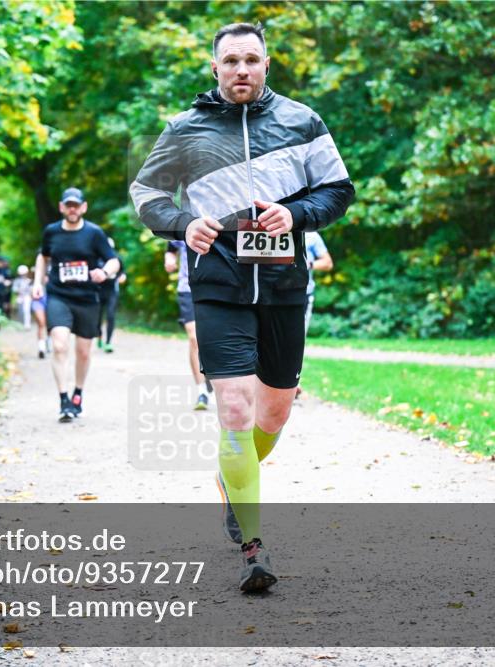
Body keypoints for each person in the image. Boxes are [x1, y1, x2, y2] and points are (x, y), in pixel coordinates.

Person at [130, 22, 354, 592]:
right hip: (218, 285)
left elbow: (337, 189)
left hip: (283, 286)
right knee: (233, 408)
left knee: (273, 415)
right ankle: (253, 547)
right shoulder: (186, 129)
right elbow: (146, 194)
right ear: (215, 67)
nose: (241, 70)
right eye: (231, 61)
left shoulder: (302, 121)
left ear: (267, 64)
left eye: (251, 60)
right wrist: (185, 223)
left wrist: (297, 214)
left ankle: (235, 474)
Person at [32, 187, 120, 422]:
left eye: (76, 205)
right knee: (59, 345)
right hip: (59, 296)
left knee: (83, 351)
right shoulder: (51, 232)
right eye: (68, 205)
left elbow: (114, 261)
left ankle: (77, 394)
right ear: (62, 207)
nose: (72, 209)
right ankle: (64, 400)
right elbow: (43, 256)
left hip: (87, 299)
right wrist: (37, 282)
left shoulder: (94, 233)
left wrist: (104, 272)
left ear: (83, 207)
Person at [165, 240, 214, 410]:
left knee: (212, 338)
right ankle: (202, 392)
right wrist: (169, 259)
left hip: (216, 289)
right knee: (194, 337)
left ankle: (210, 373)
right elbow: (171, 248)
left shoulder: (225, 217)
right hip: (187, 288)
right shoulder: (185, 221)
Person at [295, 231, 334, 397]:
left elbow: (327, 263)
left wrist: (309, 264)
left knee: (297, 338)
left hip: (303, 294)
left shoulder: (311, 236)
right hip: (271, 292)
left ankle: (293, 381)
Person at [97, 238, 125, 353]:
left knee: (110, 315)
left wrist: (123, 276)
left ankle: (108, 342)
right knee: (97, 318)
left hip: (112, 291)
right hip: (98, 291)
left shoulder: (117, 258)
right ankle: (98, 336)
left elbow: (122, 271)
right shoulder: (97, 258)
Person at [30, 269, 50, 359]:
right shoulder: (33, 282)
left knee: (50, 324)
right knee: (41, 323)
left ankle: (49, 343)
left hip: (51, 300)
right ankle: (41, 348)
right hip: (38, 301)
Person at [12, 264, 33, 330]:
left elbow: (31, 289)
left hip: (27, 297)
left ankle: (27, 324)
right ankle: (20, 324)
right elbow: (14, 289)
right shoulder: (17, 280)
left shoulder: (29, 280)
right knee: (20, 311)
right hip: (20, 297)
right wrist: (19, 290)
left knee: (26, 310)